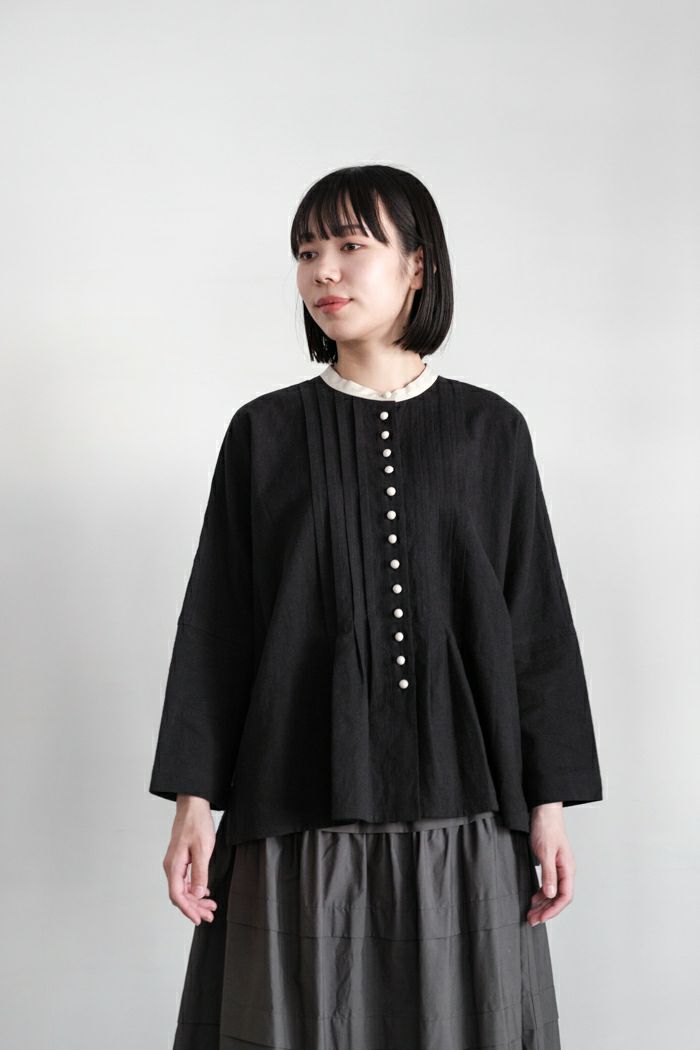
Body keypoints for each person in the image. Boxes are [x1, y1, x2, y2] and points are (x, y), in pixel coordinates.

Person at [149, 164, 603, 1050]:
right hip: (295, 811)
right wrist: (192, 803)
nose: (324, 270)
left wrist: (548, 806)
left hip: (467, 815)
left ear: (417, 265)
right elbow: (217, 628)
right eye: (306, 252)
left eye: (351, 246)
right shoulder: (263, 434)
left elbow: (535, 625)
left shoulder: (491, 432)